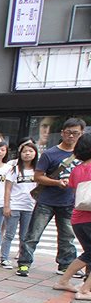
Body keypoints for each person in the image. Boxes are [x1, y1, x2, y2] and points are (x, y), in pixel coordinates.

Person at [15, 118, 86, 277]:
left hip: (69, 202)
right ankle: (24, 263)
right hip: (46, 201)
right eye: (68, 133)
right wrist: (57, 182)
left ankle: (65, 265)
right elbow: (38, 177)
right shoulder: (50, 153)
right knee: (33, 234)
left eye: (76, 133)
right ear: (62, 133)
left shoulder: (83, 154)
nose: (71, 136)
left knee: (67, 237)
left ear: (81, 134)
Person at [54, 133, 91, 293]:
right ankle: (85, 290)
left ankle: (64, 281)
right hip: (89, 218)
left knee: (89, 253)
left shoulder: (76, 169)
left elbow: (75, 188)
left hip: (78, 218)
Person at [0, 141, 38, 268]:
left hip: (30, 207)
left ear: (35, 153)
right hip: (15, 205)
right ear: (20, 154)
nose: (27, 154)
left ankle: (23, 259)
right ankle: (4, 258)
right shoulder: (14, 169)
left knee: (25, 236)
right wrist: (6, 205)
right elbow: (7, 189)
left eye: (30, 151)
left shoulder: (38, 171)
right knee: (9, 234)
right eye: (24, 151)